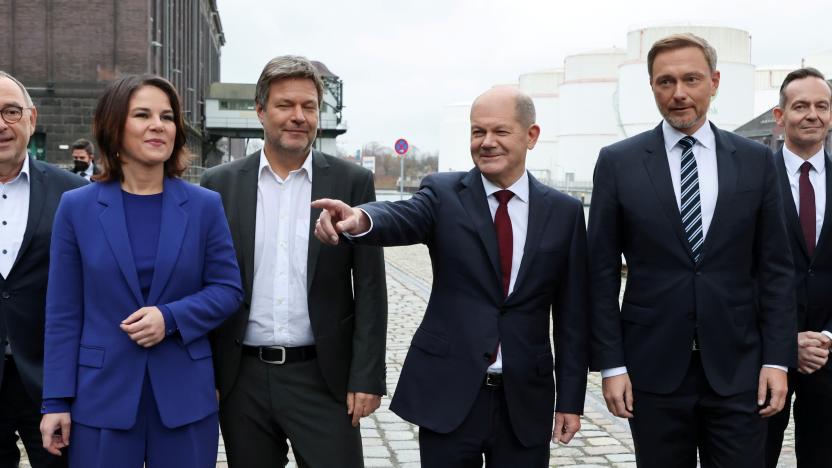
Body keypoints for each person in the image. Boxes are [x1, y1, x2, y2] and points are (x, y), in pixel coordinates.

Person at [313, 85, 588, 468]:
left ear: (531, 136)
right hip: (450, 394)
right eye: (478, 132)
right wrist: (360, 219)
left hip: (525, 400)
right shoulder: (443, 194)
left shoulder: (565, 212)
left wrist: (571, 400)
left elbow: (573, 317)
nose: (486, 142)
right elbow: (403, 217)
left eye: (500, 131)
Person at [588, 33, 796, 468]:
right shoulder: (618, 162)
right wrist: (611, 365)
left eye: (691, 79)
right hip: (652, 370)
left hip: (739, 370)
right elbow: (601, 273)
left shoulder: (756, 161)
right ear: (651, 87)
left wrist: (778, 359)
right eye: (665, 82)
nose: (678, 93)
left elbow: (776, 268)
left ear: (714, 82)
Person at [38, 74, 243, 468]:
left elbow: (227, 289)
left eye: (167, 116)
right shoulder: (76, 208)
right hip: (101, 398)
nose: (158, 125)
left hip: (184, 397)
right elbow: (63, 312)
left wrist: (170, 318)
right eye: (143, 115)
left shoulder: (204, 206)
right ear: (115, 126)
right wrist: (56, 400)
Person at [201, 55, 387, 468]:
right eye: (285, 105)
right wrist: (206, 375)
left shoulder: (351, 182)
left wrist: (367, 376)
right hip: (241, 378)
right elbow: (205, 282)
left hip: (324, 378)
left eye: (310, 106)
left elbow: (371, 287)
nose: (298, 117)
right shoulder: (219, 185)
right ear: (261, 111)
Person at [0, 71, 86, 468]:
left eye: (11, 112)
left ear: (32, 119)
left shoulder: (75, 195)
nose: (1, 124)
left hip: (52, 386)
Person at [765, 67, 832, 468]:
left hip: (830, 354)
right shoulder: (751, 180)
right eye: (801, 106)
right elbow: (739, 270)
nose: (812, 114)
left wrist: (825, 336)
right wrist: (786, 338)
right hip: (765, 356)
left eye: (821, 106)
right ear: (779, 115)